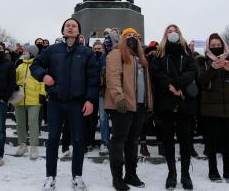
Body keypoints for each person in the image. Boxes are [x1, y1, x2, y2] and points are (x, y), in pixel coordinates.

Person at [30, 18, 99, 191]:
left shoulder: (87, 52)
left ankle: (77, 176)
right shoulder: (52, 50)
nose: (70, 27)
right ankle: (50, 177)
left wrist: (90, 100)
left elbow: (93, 79)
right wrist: (43, 76)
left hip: (77, 103)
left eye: (74, 26)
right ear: (63, 29)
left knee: (78, 140)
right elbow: (35, 65)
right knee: (53, 139)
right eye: (67, 25)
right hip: (55, 102)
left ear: (78, 31)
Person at [105, 28, 153, 191]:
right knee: (118, 141)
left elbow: (146, 84)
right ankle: (117, 178)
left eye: (134, 36)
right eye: (128, 36)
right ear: (122, 38)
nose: (131, 38)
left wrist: (148, 103)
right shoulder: (116, 53)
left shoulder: (140, 58)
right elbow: (112, 76)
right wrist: (119, 98)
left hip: (138, 106)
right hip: (122, 105)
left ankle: (131, 174)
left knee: (133, 141)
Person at [151, 25, 197, 190]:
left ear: (179, 34)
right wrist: (169, 85)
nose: (172, 33)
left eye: (174, 31)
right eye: (169, 31)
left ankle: (185, 174)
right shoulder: (159, 53)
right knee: (168, 140)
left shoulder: (187, 53)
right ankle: (172, 173)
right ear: (165, 35)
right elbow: (156, 72)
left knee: (185, 140)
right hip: (166, 102)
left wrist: (177, 85)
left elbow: (192, 71)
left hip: (184, 101)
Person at [197, 33, 229, 184]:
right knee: (212, 142)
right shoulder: (202, 61)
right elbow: (201, 82)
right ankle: (213, 170)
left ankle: (228, 171)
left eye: (218, 45)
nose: (216, 48)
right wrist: (213, 69)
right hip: (210, 108)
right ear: (208, 47)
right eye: (213, 46)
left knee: (228, 142)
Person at [14, 45, 45, 160]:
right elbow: (14, 81)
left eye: (27, 51)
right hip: (20, 98)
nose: (25, 52)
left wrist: (43, 93)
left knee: (33, 122)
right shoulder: (19, 66)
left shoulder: (38, 66)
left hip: (34, 98)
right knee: (20, 123)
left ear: (32, 53)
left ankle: (33, 146)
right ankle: (22, 145)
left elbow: (43, 81)